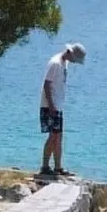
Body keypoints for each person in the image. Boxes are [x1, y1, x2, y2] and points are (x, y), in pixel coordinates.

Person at [38, 42, 87, 177]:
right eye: (75, 58)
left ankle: (58, 167)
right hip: (50, 105)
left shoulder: (64, 63)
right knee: (53, 136)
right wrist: (51, 105)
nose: (74, 62)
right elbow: (46, 85)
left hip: (57, 105)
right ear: (70, 53)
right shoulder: (55, 63)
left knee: (58, 136)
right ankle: (45, 166)